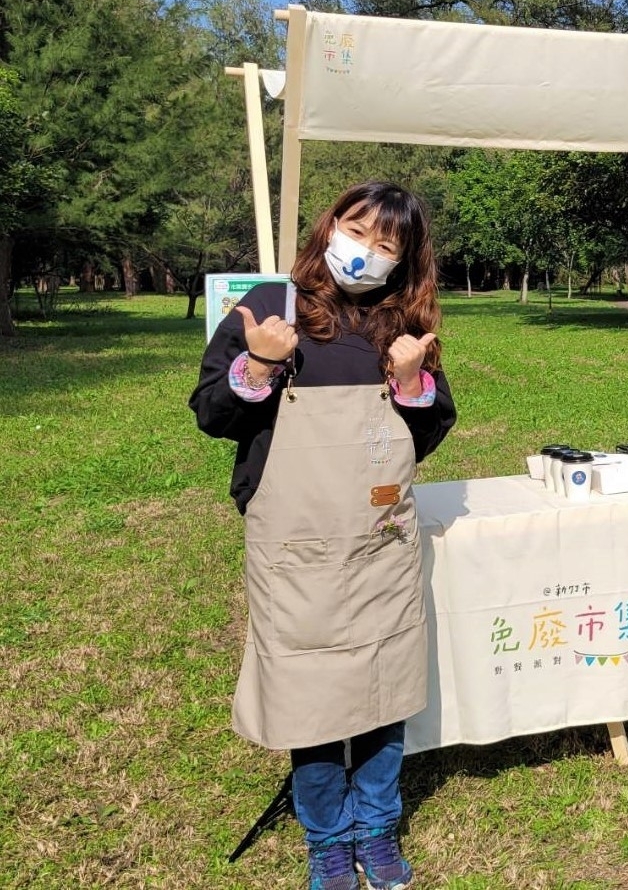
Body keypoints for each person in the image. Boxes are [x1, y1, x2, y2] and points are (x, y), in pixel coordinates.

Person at [190, 181, 457, 889]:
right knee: (308, 693)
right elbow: (212, 415)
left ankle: (377, 825)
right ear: (331, 224)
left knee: (381, 686)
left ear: (403, 261)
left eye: (385, 245)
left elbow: (426, 435)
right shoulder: (268, 311)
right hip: (294, 547)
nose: (364, 253)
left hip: (378, 544)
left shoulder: (401, 329)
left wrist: (409, 382)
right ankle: (327, 839)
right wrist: (259, 365)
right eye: (358, 231)